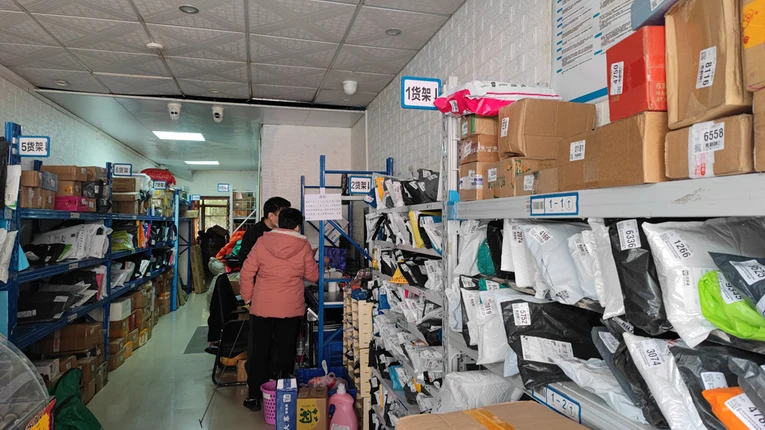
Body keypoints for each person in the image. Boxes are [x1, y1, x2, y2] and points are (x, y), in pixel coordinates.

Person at [239, 208, 319, 411]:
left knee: (259, 351)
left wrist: (248, 298)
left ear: (279, 222)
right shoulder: (304, 245)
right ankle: (283, 396)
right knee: (285, 351)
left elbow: (246, 272)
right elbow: (313, 276)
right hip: (290, 308)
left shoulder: (262, 241)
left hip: (262, 307)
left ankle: (254, 396)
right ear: (298, 226)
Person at [238, 196, 291, 261]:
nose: (286, 218)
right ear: (271, 216)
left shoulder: (286, 231)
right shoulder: (253, 233)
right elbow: (244, 258)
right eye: (283, 215)